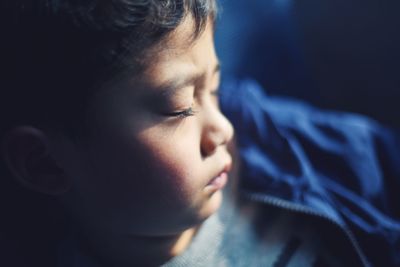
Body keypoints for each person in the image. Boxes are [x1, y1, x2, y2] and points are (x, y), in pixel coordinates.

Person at [0, 1, 398, 266]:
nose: (222, 128)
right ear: (45, 163)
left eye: (214, 87)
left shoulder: (272, 139)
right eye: (180, 107)